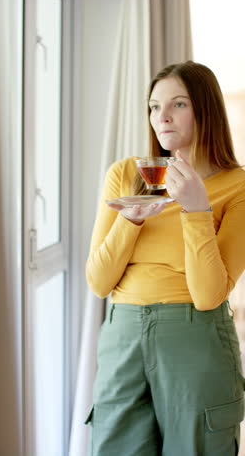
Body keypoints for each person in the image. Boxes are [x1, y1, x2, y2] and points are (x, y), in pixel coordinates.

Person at [85, 61, 245, 456]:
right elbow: (99, 281)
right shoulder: (126, 174)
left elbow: (209, 295)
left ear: (205, 109)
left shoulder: (237, 186)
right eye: (154, 107)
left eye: (178, 104)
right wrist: (130, 220)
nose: (162, 118)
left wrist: (196, 210)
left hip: (195, 335)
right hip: (122, 333)